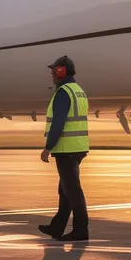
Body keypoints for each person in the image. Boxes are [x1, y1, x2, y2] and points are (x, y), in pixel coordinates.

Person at [38, 55, 90, 241]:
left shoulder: (63, 92)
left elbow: (58, 124)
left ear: (62, 71)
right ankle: (57, 227)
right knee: (66, 190)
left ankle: (81, 230)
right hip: (77, 147)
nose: (52, 73)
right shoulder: (78, 90)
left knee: (73, 190)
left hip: (66, 148)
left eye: (55, 69)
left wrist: (47, 147)